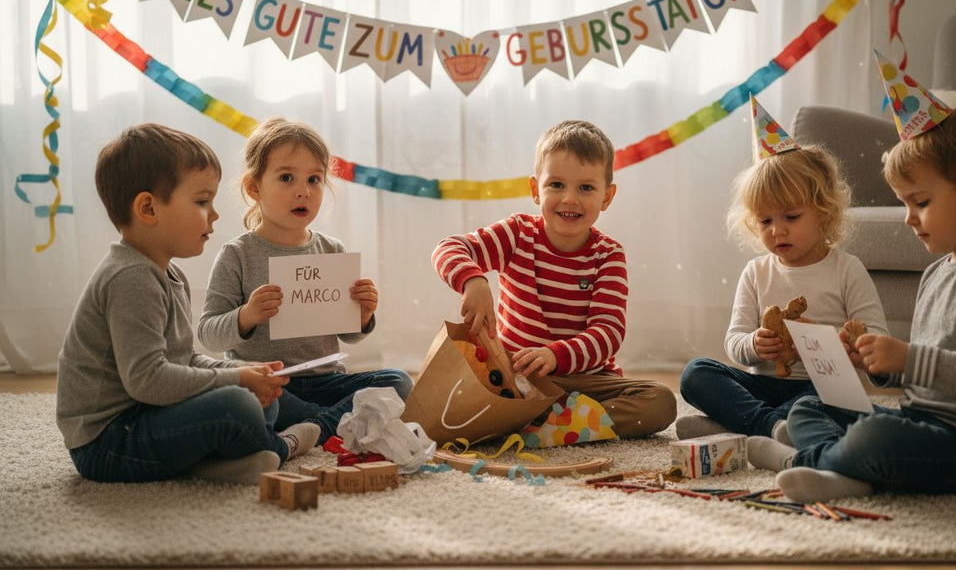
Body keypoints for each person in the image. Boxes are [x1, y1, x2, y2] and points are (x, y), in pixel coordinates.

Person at [748, 54, 956, 503]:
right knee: (811, 406)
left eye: (920, 202)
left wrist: (907, 358)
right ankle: (845, 472)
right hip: (924, 422)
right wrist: (879, 367)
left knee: (876, 437)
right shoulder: (936, 273)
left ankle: (803, 462)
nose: (909, 219)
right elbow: (926, 379)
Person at [56, 123, 319, 485]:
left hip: (148, 415)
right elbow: (148, 381)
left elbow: (183, 358)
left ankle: (214, 466)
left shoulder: (167, 272)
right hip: (109, 443)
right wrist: (235, 378)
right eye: (201, 202)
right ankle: (279, 446)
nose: (214, 215)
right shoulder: (130, 277)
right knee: (238, 403)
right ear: (148, 208)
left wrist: (246, 373)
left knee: (254, 391)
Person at [432, 119, 676, 438]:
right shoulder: (517, 234)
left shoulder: (608, 255)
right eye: (556, 185)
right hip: (518, 378)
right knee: (451, 392)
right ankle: (547, 422)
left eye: (586, 188)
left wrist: (555, 354)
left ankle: (546, 429)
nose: (570, 199)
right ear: (536, 189)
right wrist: (473, 280)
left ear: (607, 197)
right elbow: (449, 247)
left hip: (585, 381)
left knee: (661, 402)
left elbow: (608, 333)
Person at [677, 96, 887, 443]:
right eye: (765, 221)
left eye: (791, 217)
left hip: (818, 386)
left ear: (822, 210)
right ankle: (771, 427)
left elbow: (873, 342)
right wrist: (755, 344)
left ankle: (740, 427)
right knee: (695, 373)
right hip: (762, 385)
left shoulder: (846, 269)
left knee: (829, 401)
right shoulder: (756, 272)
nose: (777, 230)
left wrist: (825, 339)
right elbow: (734, 341)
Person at [197, 118, 412, 448]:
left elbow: (349, 335)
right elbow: (208, 333)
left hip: (329, 381)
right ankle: (333, 422)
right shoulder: (237, 254)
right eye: (287, 178)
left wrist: (364, 314)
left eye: (314, 179)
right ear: (254, 188)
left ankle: (314, 425)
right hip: (273, 385)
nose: (303, 190)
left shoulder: (331, 249)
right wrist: (247, 315)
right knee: (243, 396)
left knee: (397, 381)